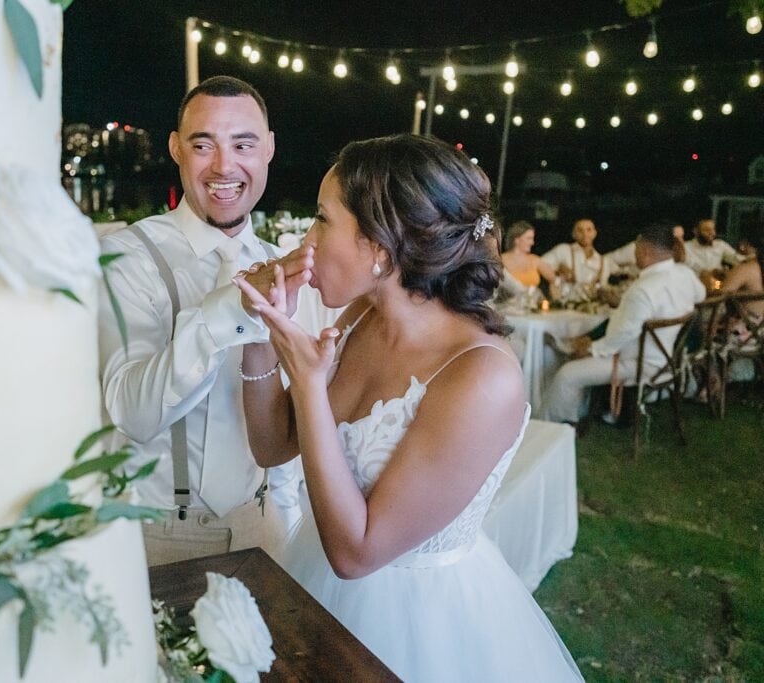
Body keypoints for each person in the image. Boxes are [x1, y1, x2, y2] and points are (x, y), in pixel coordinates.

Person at [234, 134, 581, 680]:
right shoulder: (358, 318)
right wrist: (258, 326)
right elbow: (272, 443)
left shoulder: (481, 374)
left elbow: (356, 554)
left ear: (380, 247)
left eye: (323, 220)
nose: (307, 238)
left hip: (421, 624)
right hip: (314, 579)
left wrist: (306, 383)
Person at [98, 76, 308, 566]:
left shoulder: (285, 264)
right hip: (160, 537)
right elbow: (133, 414)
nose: (224, 165)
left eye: (243, 144)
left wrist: (288, 523)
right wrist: (227, 313)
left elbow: (285, 423)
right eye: (203, 144)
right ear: (175, 148)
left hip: (264, 527)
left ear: (269, 149)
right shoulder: (128, 257)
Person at [541, 221, 706, 425]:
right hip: (670, 359)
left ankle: (552, 426)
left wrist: (591, 349)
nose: (634, 253)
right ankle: (576, 412)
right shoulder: (686, 274)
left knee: (568, 373)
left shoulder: (643, 289)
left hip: (639, 364)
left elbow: (622, 335)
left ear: (644, 252)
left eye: (635, 249)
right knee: (575, 354)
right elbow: (701, 295)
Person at [541, 217, 616, 290]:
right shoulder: (563, 250)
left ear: (595, 233)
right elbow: (540, 264)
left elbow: (603, 287)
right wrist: (557, 271)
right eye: (580, 230)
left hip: (594, 302)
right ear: (573, 234)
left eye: (589, 230)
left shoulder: (603, 261)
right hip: (565, 301)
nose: (585, 234)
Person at [501, 220, 557, 288]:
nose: (532, 243)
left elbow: (554, 279)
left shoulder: (535, 260)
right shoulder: (501, 260)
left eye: (532, 239)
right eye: (529, 238)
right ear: (516, 240)